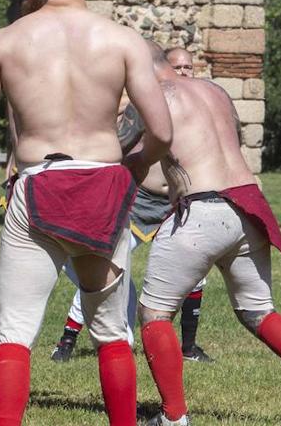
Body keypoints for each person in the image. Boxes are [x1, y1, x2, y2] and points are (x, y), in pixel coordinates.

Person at [0, 0, 174, 426]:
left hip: (38, 182)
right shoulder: (120, 40)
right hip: (102, 185)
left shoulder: (6, 41)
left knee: (16, 332)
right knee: (111, 332)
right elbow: (162, 130)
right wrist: (134, 167)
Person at [135, 44, 281, 426]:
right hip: (248, 206)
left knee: (154, 314)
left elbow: (142, 157)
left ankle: (173, 415)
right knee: (259, 311)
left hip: (200, 209)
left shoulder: (160, 96)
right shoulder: (215, 92)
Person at [54, 50, 214, 364]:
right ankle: (67, 340)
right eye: (177, 66)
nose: (183, 72)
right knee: (108, 272)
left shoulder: (199, 106)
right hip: (140, 202)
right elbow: (117, 143)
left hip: (177, 204)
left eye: (188, 67)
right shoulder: (148, 105)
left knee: (197, 275)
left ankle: (189, 347)